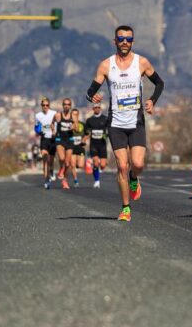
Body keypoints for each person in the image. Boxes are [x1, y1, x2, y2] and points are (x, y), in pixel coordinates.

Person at [86, 25, 165, 222]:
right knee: (122, 165)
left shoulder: (142, 62)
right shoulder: (105, 65)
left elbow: (160, 83)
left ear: (132, 42)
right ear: (115, 41)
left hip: (136, 122)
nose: (124, 42)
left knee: (137, 164)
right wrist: (92, 97)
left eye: (128, 39)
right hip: (116, 124)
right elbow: (90, 91)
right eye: (121, 38)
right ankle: (125, 208)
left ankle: (134, 178)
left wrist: (152, 100)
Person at [54, 98, 77, 190]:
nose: (66, 106)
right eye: (65, 104)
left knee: (67, 164)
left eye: (68, 104)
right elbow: (52, 122)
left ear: (70, 106)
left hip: (69, 140)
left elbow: (76, 127)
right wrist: (53, 129)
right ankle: (61, 168)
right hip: (60, 139)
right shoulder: (58, 115)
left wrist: (73, 127)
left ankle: (65, 179)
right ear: (62, 105)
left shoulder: (73, 115)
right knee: (62, 158)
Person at [85, 102, 109, 189]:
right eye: (95, 108)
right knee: (95, 163)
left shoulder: (105, 119)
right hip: (93, 145)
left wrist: (106, 135)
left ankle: (98, 170)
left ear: (100, 108)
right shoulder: (89, 120)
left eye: (98, 107)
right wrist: (87, 135)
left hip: (102, 145)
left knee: (102, 165)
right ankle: (97, 181)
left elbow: (109, 130)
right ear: (93, 109)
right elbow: (86, 131)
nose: (97, 109)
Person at [34, 98, 57, 189]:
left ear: (49, 105)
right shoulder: (38, 116)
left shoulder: (54, 113)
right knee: (45, 159)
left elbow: (58, 124)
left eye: (47, 105)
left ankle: (51, 171)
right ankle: (46, 181)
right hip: (44, 139)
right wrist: (39, 132)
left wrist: (55, 133)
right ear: (41, 106)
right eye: (43, 105)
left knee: (50, 161)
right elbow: (36, 127)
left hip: (53, 139)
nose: (45, 107)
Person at [70, 108, 86, 187]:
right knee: (72, 165)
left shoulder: (82, 124)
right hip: (72, 147)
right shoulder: (69, 124)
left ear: (78, 115)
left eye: (76, 114)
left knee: (80, 165)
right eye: (73, 114)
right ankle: (76, 181)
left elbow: (87, 134)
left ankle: (77, 163)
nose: (74, 116)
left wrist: (84, 139)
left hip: (80, 146)